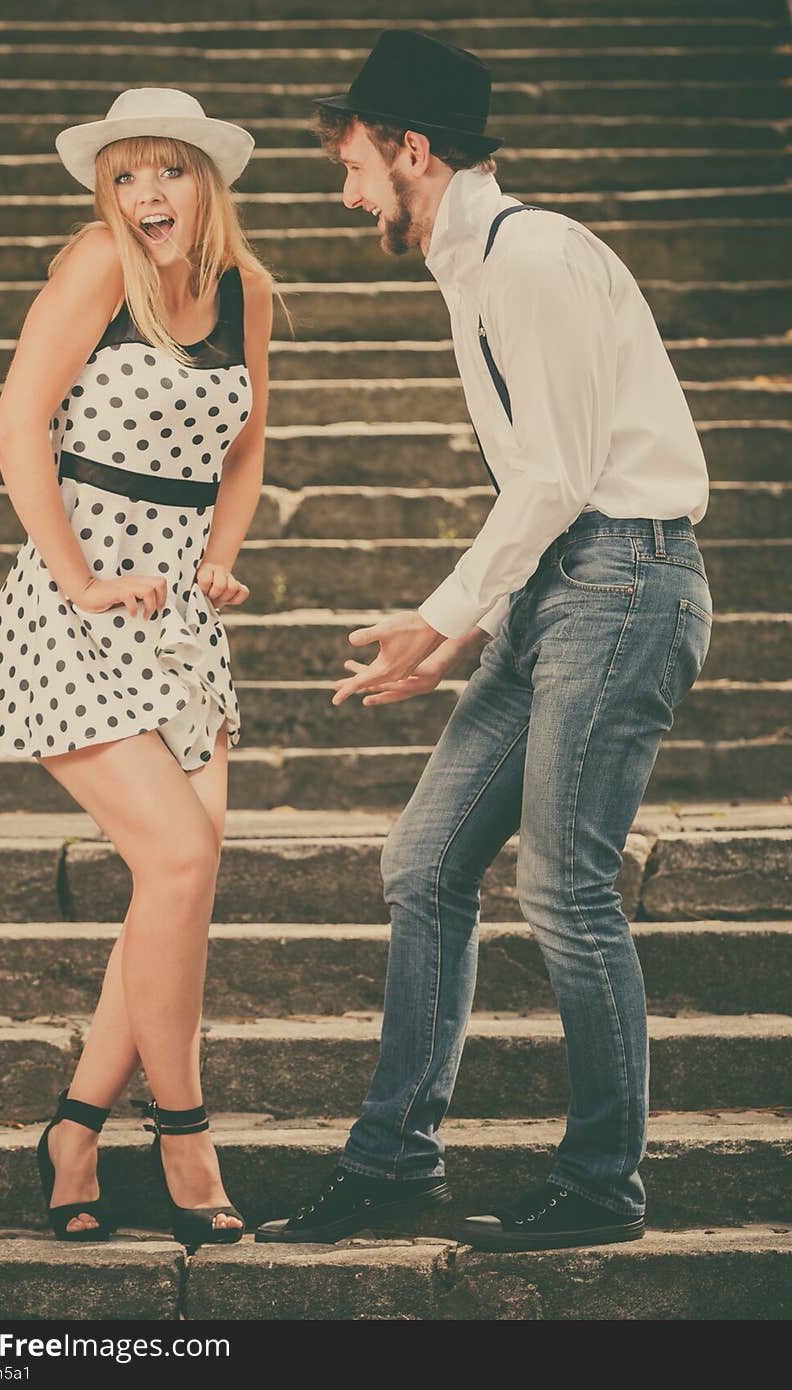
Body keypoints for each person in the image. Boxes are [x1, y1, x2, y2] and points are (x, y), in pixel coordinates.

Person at [255, 30, 713, 1252]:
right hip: (558, 595)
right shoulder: (475, 269)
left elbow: (562, 475)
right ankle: (395, 1163)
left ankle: (601, 1185)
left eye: (354, 164)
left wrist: (445, 612)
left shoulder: (534, 259)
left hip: (623, 581)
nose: (346, 193)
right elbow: (544, 485)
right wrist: (472, 627)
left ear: (412, 150)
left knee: (564, 888)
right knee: (422, 863)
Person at [0, 87, 280, 1245]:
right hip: (76, 602)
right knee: (183, 850)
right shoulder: (101, 263)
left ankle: (74, 1128)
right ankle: (187, 1134)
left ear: (209, 181)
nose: (148, 195)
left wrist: (220, 562)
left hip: (181, 620)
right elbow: (14, 424)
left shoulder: (243, 288)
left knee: (178, 885)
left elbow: (247, 442)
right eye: (129, 174)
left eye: (172, 172)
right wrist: (81, 576)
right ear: (108, 191)